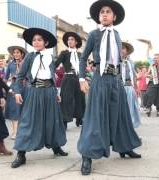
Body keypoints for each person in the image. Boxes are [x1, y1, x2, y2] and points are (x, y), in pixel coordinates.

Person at [77, 0, 141, 175]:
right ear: (99, 17)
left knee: (121, 115)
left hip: (115, 79)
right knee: (95, 117)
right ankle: (87, 156)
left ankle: (124, 147)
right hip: (100, 78)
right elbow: (83, 59)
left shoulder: (118, 35)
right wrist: (82, 79)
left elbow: (118, 60)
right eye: (102, 12)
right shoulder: (94, 35)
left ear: (114, 16)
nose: (104, 14)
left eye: (108, 12)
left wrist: (120, 80)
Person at [11, 27, 67, 168]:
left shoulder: (51, 57)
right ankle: (21, 154)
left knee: (52, 121)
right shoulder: (29, 57)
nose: (36, 42)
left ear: (46, 42)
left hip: (49, 92)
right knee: (28, 122)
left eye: (39, 40)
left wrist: (56, 93)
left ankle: (56, 147)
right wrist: (17, 92)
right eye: (34, 40)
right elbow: (20, 76)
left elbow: (52, 77)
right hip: (34, 92)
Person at [55, 32, 85, 129]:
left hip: (78, 78)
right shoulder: (64, 53)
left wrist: (84, 79)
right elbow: (55, 64)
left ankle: (80, 119)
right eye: (68, 40)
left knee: (80, 99)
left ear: (76, 42)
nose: (70, 41)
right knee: (66, 100)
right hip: (67, 78)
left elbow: (83, 67)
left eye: (72, 39)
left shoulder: (81, 55)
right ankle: (64, 121)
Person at [4, 46, 27, 140]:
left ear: (22, 54)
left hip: (25, 87)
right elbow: (5, 77)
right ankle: (15, 132)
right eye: (14, 53)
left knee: (24, 110)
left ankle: (24, 131)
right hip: (14, 88)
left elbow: (30, 75)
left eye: (18, 52)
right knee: (15, 110)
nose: (16, 54)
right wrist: (4, 88)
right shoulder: (10, 64)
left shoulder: (26, 63)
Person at [121, 41, 141, 128]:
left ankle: (129, 126)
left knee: (130, 108)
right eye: (119, 48)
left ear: (127, 51)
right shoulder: (114, 61)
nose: (121, 50)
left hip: (129, 87)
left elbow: (133, 76)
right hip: (118, 87)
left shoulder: (131, 62)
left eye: (123, 48)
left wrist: (136, 88)